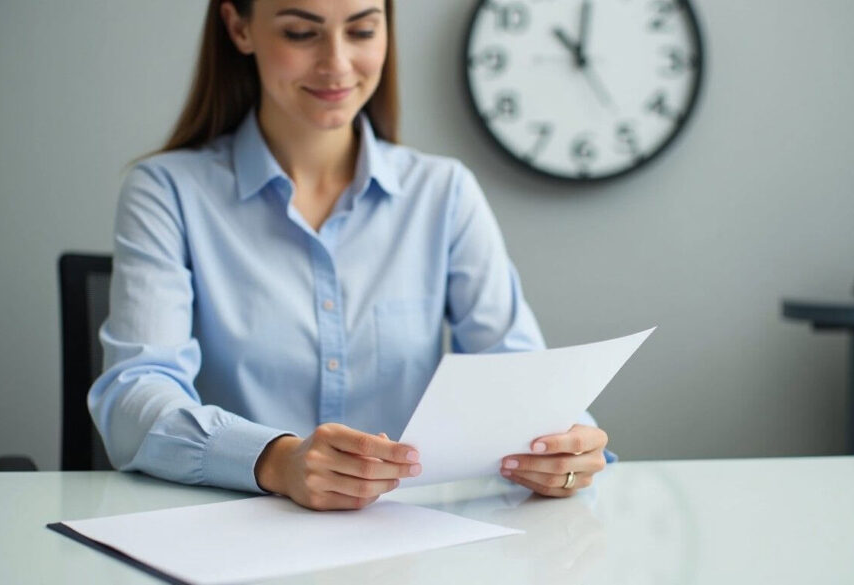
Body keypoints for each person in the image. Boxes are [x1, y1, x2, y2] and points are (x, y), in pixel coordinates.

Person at [89, 0, 610, 511]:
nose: (337, 63)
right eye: (301, 33)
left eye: (361, 31)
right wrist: (277, 461)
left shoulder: (443, 192)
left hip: (412, 545)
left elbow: (521, 378)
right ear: (239, 27)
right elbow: (134, 397)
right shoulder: (167, 191)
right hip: (237, 535)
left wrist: (565, 446)